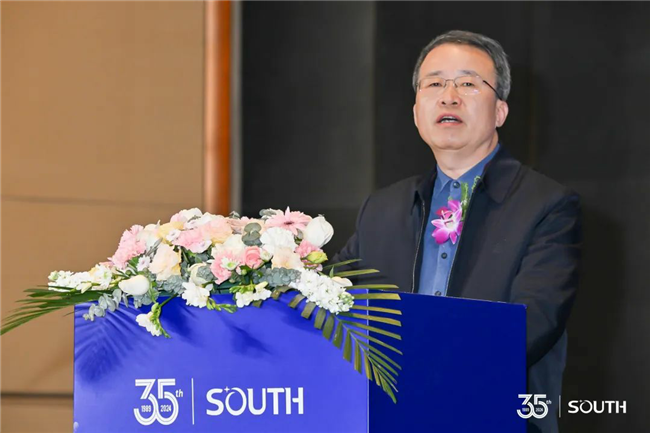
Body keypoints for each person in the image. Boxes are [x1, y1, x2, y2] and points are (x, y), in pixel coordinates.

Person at [334, 30, 581, 433]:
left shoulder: (547, 206)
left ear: (500, 111)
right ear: (416, 112)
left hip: (491, 415)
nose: (449, 97)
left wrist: (427, 377)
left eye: (468, 84)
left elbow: (531, 325)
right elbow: (326, 299)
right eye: (434, 84)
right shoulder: (381, 209)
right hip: (389, 418)